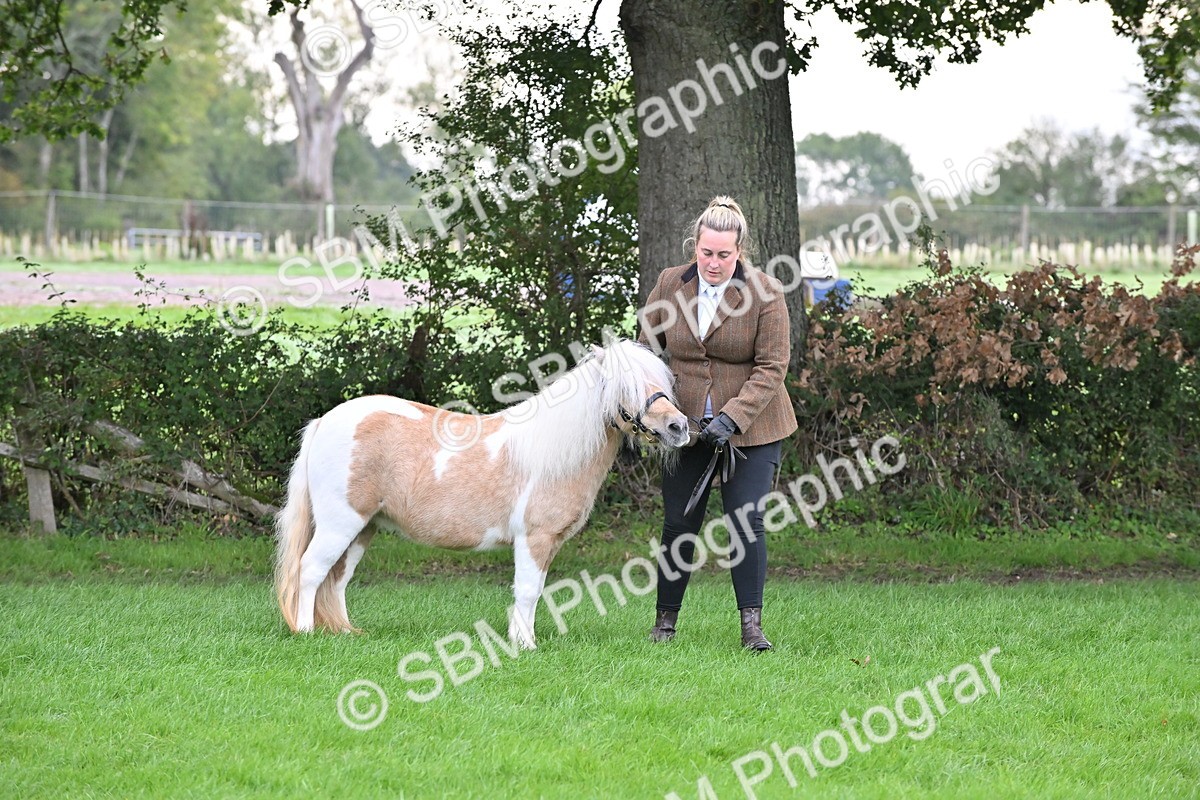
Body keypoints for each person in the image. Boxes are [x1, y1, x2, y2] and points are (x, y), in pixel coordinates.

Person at [637, 196, 797, 651]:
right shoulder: (671, 284)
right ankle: (664, 624)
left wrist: (731, 418)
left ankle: (752, 628)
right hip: (683, 429)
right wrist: (657, 410)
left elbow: (772, 366)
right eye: (706, 252)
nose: (713, 262)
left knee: (746, 523)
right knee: (678, 524)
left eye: (724, 255)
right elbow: (645, 351)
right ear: (696, 247)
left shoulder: (765, 292)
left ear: (739, 251)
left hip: (753, 429)